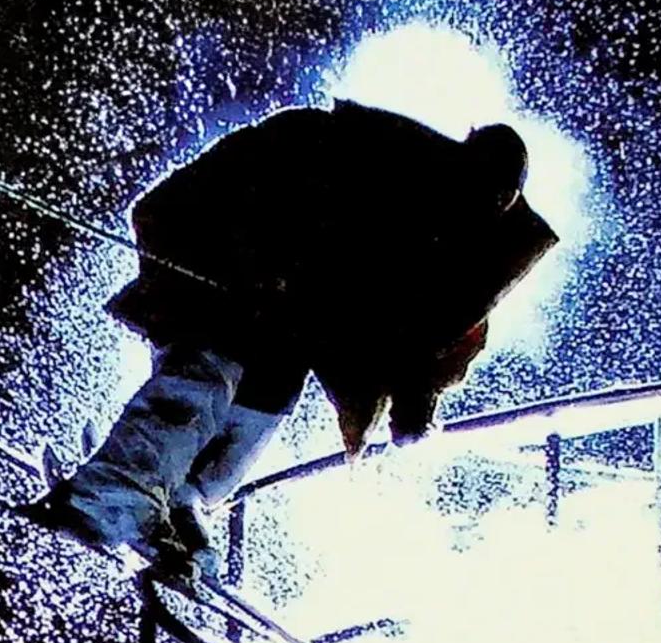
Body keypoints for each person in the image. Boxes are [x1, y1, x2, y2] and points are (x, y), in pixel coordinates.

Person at [31, 99, 558, 562]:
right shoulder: (361, 158)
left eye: (487, 202)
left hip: (294, 313)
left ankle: (184, 497)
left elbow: (424, 340)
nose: (469, 207)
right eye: (469, 190)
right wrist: (255, 268)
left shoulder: (473, 260)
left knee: (268, 393)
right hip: (225, 250)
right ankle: (115, 488)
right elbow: (216, 198)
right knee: (210, 365)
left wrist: (412, 410)